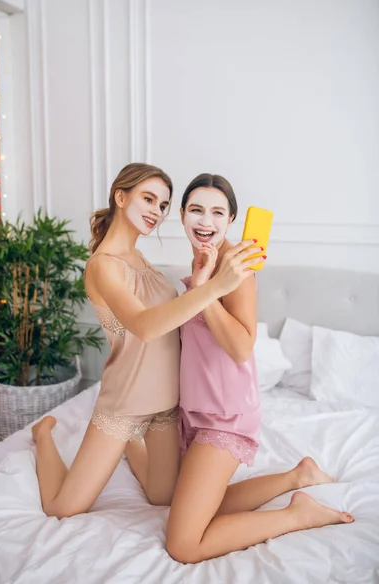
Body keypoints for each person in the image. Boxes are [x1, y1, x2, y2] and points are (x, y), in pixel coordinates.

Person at [32, 163, 258, 518]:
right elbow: (144, 326)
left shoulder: (141, 259)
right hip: (126, 400)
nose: (156, 211)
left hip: (166, 404)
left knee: (162, 497)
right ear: (121, 197)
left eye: (163, 205)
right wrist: (215, 286)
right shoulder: (102, 266)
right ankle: (43, 435)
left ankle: (127, 446)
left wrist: (209, 280)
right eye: (148, 199)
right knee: (63, 509)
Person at [165, 173, 355, 564]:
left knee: (183, 544)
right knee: (202, 506)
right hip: (197, 411)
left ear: (231, 219)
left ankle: (296, 515)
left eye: (218, 212)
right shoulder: (202, 259)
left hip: (226, 416)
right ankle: (296, 477)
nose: (206, 221)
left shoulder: (237, 269)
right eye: (196, 210)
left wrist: (205, 291)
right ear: (182, 214)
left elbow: (240, 346)